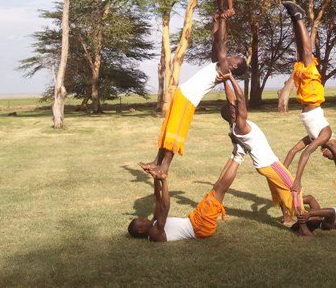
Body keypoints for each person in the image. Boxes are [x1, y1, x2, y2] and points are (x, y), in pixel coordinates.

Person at [140, 14, 246, 179]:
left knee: (175, 132)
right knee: (168, 129)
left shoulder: (225, 69)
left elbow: (221, 43)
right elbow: (215, 41)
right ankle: (156, 163)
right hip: (182, 95)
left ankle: (164, 169)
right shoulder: (219, 64)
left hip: (188, 100)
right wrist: (216, 22)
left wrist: (224, 20)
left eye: (236, 57)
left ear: (234, 65)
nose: (233, 55)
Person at [220, 72, 310, 230]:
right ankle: (303, 224)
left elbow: (232, 99)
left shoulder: (233, 125)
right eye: (234, 108)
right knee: (293, 189)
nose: (237, 107)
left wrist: (225, 80)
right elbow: (239, 98)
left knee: (279, 191)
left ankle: (287, 218)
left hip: (264, 165)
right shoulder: (241, 125)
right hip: (269, 164)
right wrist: (232, 78)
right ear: (234, 114)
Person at [280, 0, 333, 197]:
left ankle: (295, 18)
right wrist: (297, 181)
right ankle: (300, 17)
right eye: (328, 155)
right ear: (332, 149)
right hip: (312, 96)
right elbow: (306, 154)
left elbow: (294, 151)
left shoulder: (314, 137)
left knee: (300, 54)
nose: (324, 155)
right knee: (307, 54)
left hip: (306, 97)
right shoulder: (325, 136)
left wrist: (281, 173)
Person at [128, 155, 240, 242]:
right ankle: (239, 155)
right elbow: (164, 207)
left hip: (195, 221)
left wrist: (156, 178)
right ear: (140, 229)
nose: (144, 218)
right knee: (219, 190)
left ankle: (235, 153)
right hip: (200, 227)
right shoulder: (154, 234)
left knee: (216, 188)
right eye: (142, 220)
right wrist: (164, 180)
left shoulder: (153, 223)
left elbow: (158, 200)